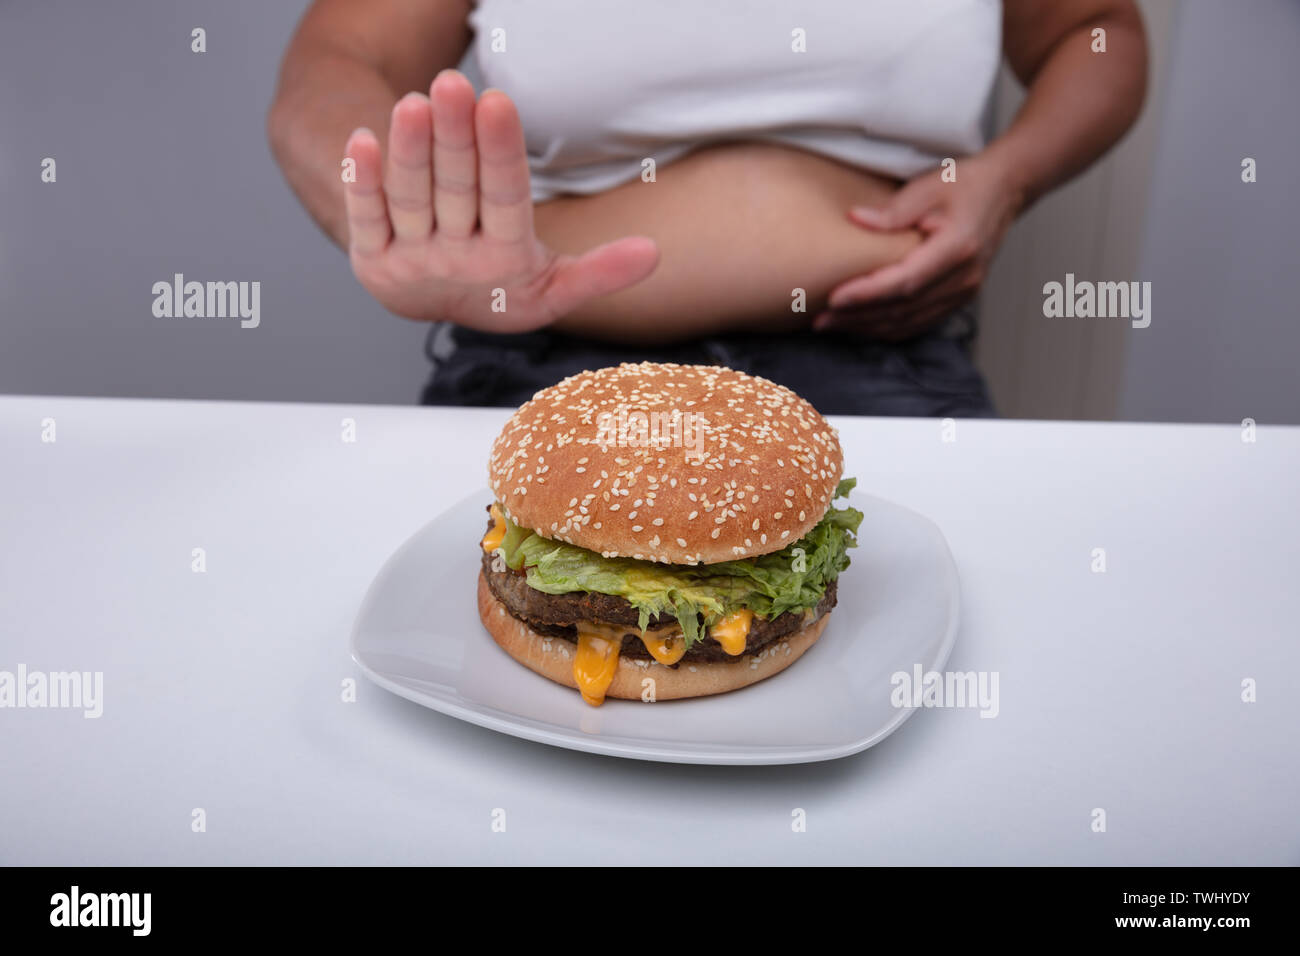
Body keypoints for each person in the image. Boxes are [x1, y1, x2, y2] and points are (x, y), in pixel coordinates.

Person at [268, 0, 1147, 416]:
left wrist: (1007, 178)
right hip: (540, 374)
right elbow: (335, 61)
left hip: (884, 372)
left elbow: (1098, 32)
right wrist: (390, 212)